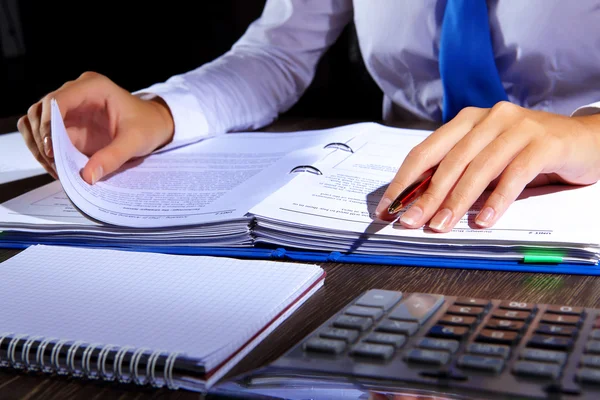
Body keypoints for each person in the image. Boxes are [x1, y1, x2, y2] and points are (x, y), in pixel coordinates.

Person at [17, 0, 600, 234]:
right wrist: (159, 110)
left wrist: (586, 132)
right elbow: (278, 51)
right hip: (392, 203)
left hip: (566, 195)